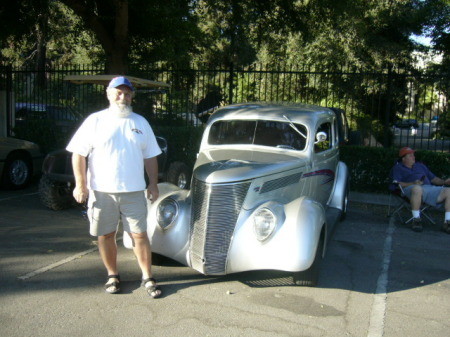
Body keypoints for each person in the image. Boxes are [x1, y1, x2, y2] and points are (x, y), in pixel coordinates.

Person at [66, 76, 163, 298]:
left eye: (127, 93)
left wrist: (153, 183)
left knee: (140, 235)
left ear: (132, 96)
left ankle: (147, 277)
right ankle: (112, 275)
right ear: (108, 94)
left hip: (134, 191)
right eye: (118, 92)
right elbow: (78, 153)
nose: (123, 96)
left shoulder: (140, 122)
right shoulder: (95, 120)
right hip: (102, 192)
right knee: (106, 235)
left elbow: (151, 156)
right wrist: (81, 185)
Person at [391, 147, 450, 233]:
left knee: (449, 191)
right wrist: (413, 183)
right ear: (403, 159)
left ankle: (447, 222)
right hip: (410, 188)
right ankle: (416, 220)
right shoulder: (398, 168)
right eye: (410, 156)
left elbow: (433, 179)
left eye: (413, 155)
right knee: (417, 189)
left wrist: (445, 182)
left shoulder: (420, 165)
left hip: (428, 188)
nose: (413, 157)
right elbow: (397, 183)